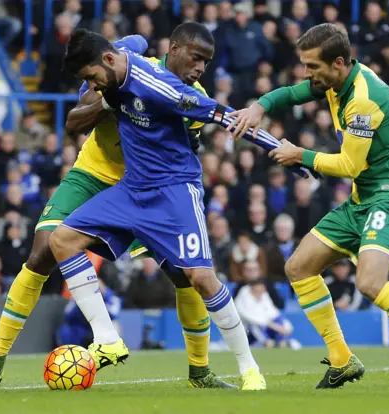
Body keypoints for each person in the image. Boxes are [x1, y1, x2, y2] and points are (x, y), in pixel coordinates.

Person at [0, 26, 241, 390]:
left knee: (184, 274)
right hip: (92, 173)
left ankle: (200, 371)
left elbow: (186, 152)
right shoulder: (118, 70)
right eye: (195, 59)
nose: (199, 68)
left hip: (148, 187)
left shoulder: (193, 97)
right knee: (42, 251)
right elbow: (73, 122)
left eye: (205, 62)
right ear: (173, 51)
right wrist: (109, 97)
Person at [227, 23, 389, 389]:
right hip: (363, 198)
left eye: (312, 67)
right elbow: (292, 94)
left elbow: (349, 165)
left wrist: (300, 155)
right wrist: (259, 107)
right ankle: (342, 359)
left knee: (370, 282)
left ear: (338, 62)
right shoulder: (336, 81)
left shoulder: (362, 98)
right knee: (299, 267)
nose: (307, 74)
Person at [46, 25, 285, 391]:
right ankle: (107, 339)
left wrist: (278, 148)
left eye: (93, 78)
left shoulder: (158, 86)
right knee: (61, 241)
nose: (92, 87)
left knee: (201, 279)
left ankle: (249, 368)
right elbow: (133, 44)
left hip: (174, 193)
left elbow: (223, 116)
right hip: (131, 191)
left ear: (108, 61)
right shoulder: (116, 69)